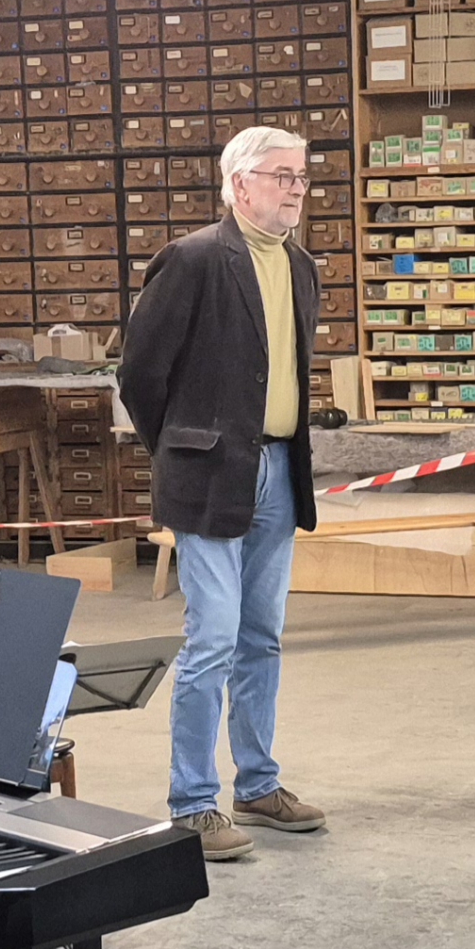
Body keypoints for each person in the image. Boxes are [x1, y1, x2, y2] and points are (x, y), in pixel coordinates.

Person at [117, 125, 327, 863]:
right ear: (239, 184)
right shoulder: (195, 259)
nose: (295, 188)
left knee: (261, 636)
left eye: (301, 176)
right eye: (280, 176)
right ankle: (193, 803)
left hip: (280, 469)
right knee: (211, 639)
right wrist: (182, 450)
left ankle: (258, 785)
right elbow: (139, 374)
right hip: (209, 472)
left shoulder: (301, 267)